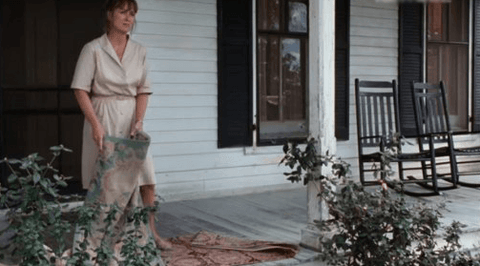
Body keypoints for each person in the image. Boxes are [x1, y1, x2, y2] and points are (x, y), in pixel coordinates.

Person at [71, 0, 172, 251]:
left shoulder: (139, 51)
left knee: (147, 178)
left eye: (132, 14)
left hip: (130, 119)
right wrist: (95, 125)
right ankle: (100, 239)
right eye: (122, 12)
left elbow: (143, 91)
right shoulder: (93, 49)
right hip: (102, 115)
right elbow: (80, 89)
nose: (128, 18)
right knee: (105, 181)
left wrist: (138, 120)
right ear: (109, 14)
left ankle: (151, 234)